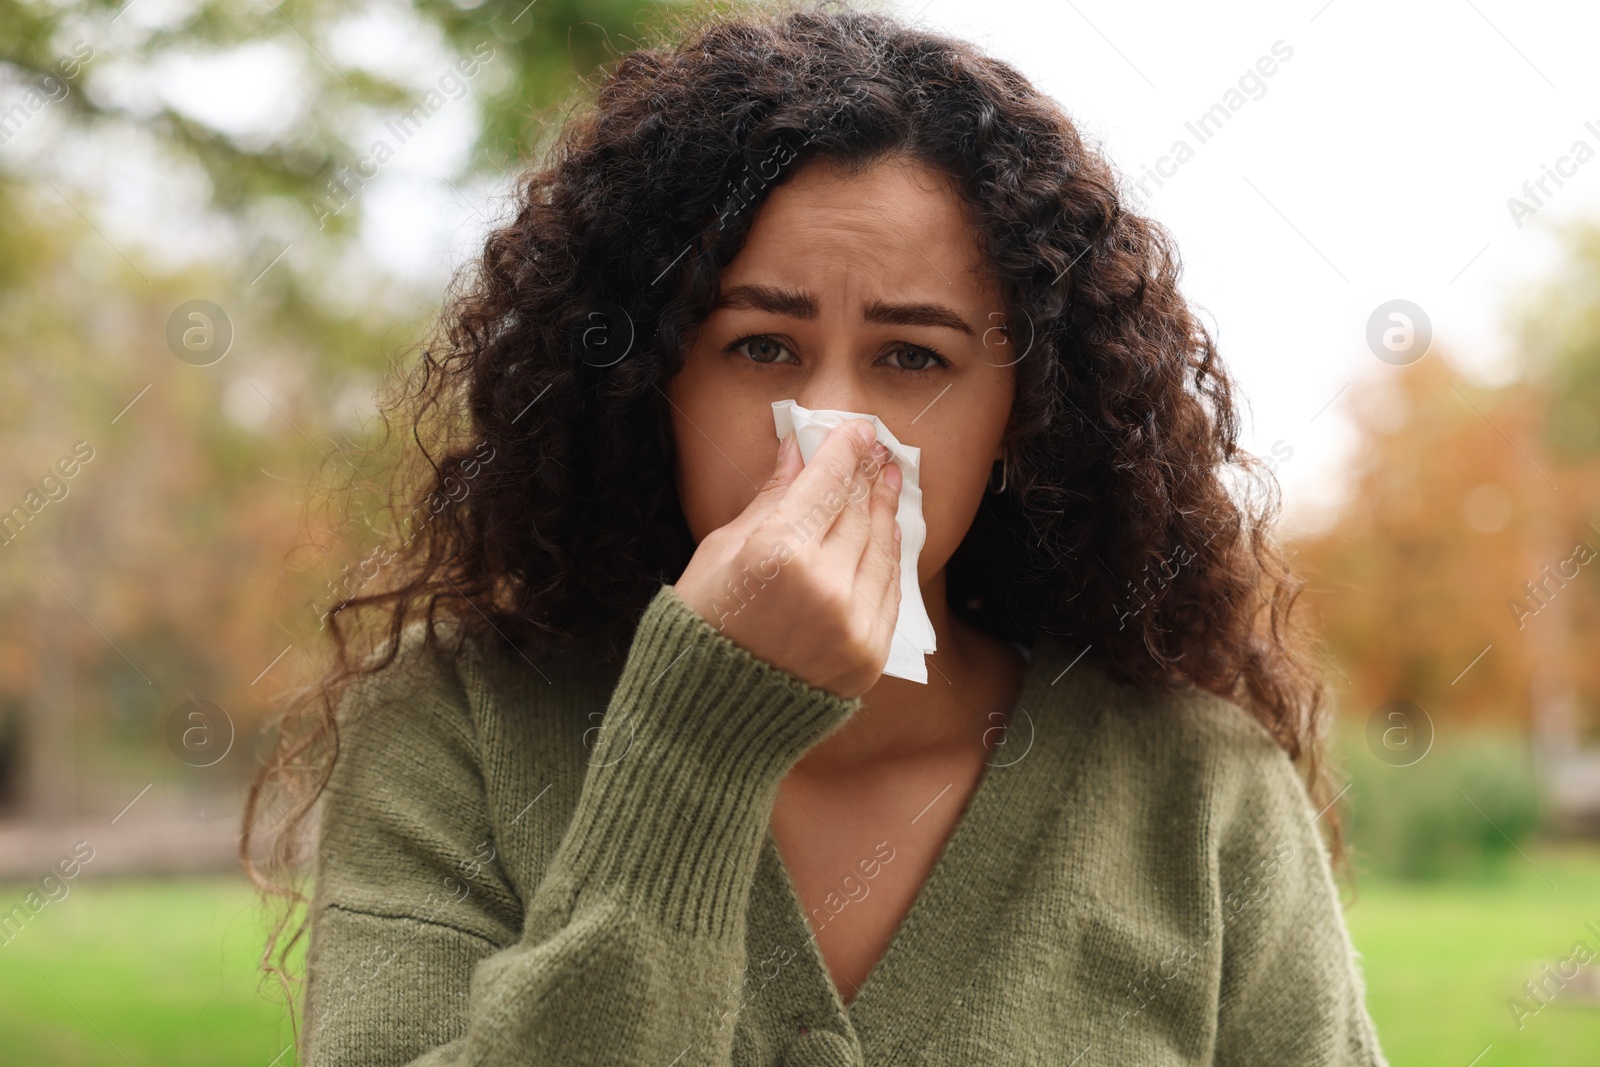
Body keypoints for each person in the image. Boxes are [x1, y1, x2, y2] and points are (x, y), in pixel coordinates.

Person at [243, 4, 1389, 1064]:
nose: (834, 433)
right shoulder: (457, 726)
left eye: (912, 358)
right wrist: (694, 743)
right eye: (760, 347)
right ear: (653, 383)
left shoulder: (1197, 790)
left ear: (1019, 419)